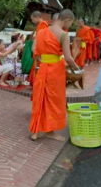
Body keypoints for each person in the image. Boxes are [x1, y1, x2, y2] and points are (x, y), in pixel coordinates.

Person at [29, 9, 80, 141]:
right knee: (53, 101)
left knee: (41, 98)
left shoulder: (41, 32)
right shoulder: (63, 35)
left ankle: (36, 131)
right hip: (56, 72)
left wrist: (44, 60)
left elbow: (34, 50)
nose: (70, 26)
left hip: (43, 69)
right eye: (71, 23)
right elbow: (68, 58)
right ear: (67, 20)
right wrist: (77, 69)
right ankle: (50, 131)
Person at [28, 11, 49, 89]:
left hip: (40, 49)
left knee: (38, 66)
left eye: (33, 19)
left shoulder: (43, 25)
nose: (32, 21)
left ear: (37, 17)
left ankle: (38, 84)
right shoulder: (40, 25)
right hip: (38, 48)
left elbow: (42, 38)